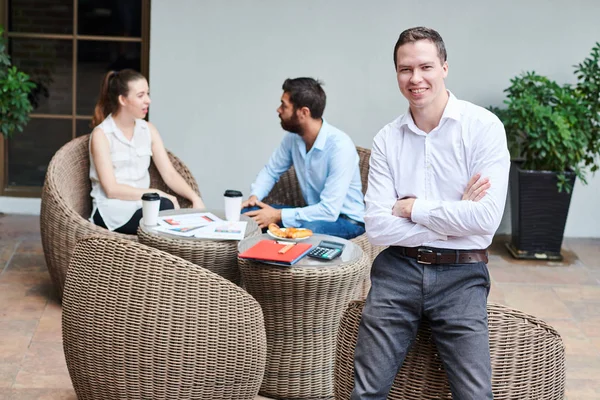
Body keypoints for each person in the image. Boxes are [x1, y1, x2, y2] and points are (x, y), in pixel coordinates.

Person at [351, 27, 510, 399]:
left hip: (462, 275)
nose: (415, 78)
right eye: (405, 69)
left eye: (425, 66)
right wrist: (456, 216)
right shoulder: (387, 139)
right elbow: (377, 227)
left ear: (444, 67)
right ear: (397, 74)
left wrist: (411, 208)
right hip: (396, 272)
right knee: (366, 393)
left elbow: (485, 223)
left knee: (475, 396)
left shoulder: (483, 128)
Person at [241, 77, 365, 240]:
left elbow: (329, 211)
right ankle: (262, 261)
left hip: (346, 221)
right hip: (311, 214)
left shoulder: (340, 146)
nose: (278, 110)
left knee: (307, 230)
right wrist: (254, 197)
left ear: (303, 112)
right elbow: (271, 171)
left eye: (284, 106)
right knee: (247, 214)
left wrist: (278, 215)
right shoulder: (293, 139)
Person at [89, 69, 204, 234]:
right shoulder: (102, 135)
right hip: (111, 211)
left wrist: (195, 198)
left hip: (144, 205)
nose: (148, 101)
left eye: (148, 94)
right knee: (164, 208)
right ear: (123, 99)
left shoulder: (148, 130)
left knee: (167, 212)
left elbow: (169, 174)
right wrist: (155, 193)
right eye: (141, 95)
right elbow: (111, 189)